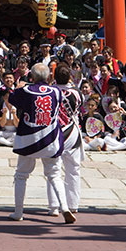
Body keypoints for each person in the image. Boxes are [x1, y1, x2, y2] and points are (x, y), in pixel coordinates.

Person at [8, 63, 76, 223]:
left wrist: (18, 87)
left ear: (31, 77)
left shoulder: (25, 90)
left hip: (28, 138)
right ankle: (64, 207)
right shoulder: (56, 92)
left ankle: (18, 212)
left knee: (21, 175)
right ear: (48, 77)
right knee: (55, 175)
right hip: (50, 139)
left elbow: (12, 99)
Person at [47, 63, 84, 215]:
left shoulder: (50, 92)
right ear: (69, 77)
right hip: (72, 132)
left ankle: (54, 206)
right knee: (73, 169)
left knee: (53, 170)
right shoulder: (77, 93)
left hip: (54, 132)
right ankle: (73, 204)